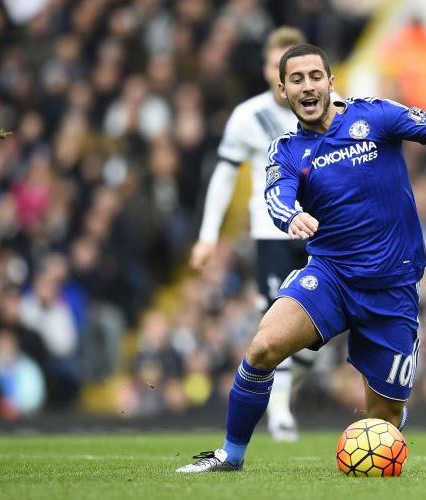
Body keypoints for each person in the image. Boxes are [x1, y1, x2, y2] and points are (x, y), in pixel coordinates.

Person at [176, 43, 426, 473]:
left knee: (384, 423)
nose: (307, 86)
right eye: (296, 80)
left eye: (315, 76)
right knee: (264, 345)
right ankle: (232, 454)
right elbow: (276, 197)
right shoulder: (286, 149)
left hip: (392, 287)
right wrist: (294, 216)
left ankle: (391, 410)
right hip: (331, 276)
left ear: (330, 81)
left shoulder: (373, 115)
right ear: (283, 90)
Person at [189, 26, 314, 442]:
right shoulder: (248, 116)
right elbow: (224, 176)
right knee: (277, 322)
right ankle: (279, 412)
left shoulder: (328, 111)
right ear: (269, 70)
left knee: (317, 337)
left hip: (323, 232)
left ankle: (281, 404)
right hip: (273, 232)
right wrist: (208, 235)